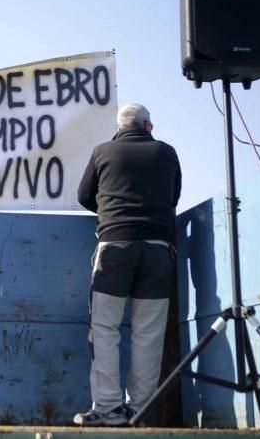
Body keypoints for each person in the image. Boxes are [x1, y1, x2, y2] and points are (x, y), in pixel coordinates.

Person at [73, 103, 182, 426]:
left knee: (105, 328)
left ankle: (107, 409)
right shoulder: (167, 153)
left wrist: (111, 212)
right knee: (148, 332)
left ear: (119, 129)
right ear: (148, 126)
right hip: (158, 251)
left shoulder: (102, 151)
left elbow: (83, 196)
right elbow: (173, 196)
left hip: (115, 250)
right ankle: (140, 411)